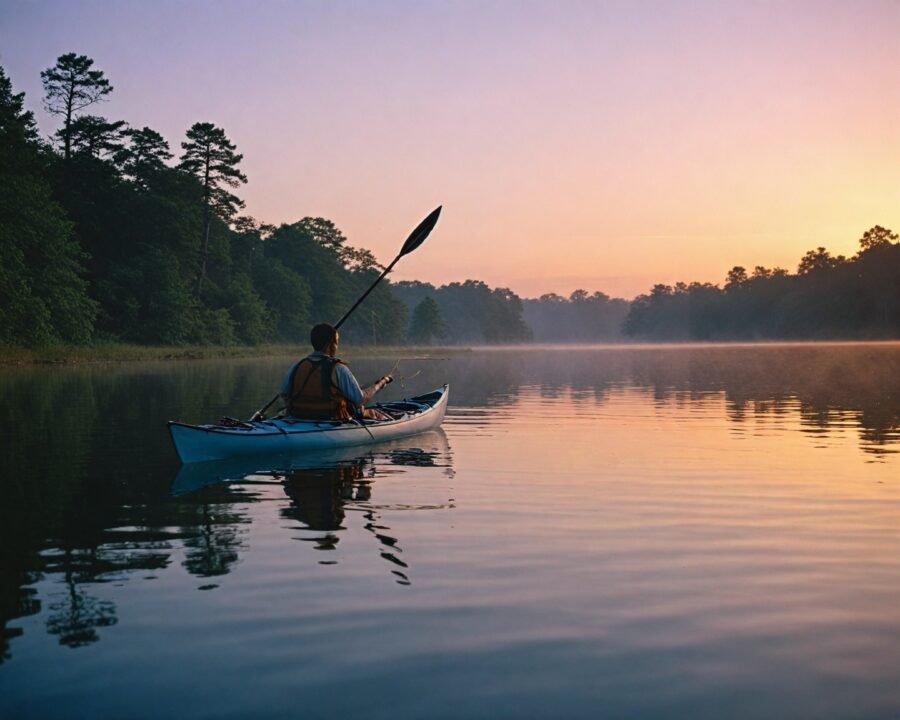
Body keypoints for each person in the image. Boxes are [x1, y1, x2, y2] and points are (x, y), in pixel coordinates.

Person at [280, 323, 393, 421]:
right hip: (331, 420)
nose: (337, 346)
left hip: (297, 418)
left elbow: (284, 394)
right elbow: (360, 399)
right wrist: (381, 383)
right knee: (375, 414)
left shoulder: (297, 366)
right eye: (337, 342)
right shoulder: (338, 368)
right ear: (329, 345)